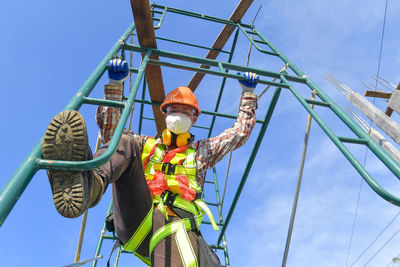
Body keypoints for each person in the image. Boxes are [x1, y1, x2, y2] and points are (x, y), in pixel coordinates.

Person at [42, 58, 259, 267]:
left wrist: (247, 94)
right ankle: (91, 185)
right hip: (139, 217)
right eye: (174, 110)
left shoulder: (201, 151)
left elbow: (238, 134)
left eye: (186, 112)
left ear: (194, 119)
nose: (179, 115)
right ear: (165, 114)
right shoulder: (147, 146)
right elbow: (112, 135)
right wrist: (115, 87)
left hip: (177, 228)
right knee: (123, 141)